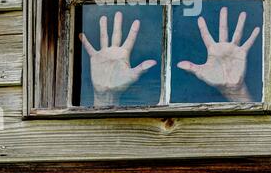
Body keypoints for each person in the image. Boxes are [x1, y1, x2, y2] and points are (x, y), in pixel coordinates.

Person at [79, 7, 260, 106]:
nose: (149, 63)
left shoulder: (191, 96)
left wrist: (235, 91)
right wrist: (105, 97)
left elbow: (260, 144)